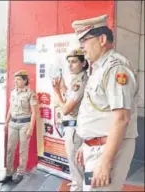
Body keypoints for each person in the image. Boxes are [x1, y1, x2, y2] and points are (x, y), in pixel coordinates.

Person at [71, 14, 139, 191]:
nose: (81, 46)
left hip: (106, 150)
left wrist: (106, 162)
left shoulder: (115, 68)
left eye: (85, 40)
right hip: (96, 147)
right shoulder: (99, 68)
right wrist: (87, 142)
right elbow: (98, 111)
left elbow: (122, 118)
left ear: (101, 39)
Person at [52, 48, 89, 191]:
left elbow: (66, 109)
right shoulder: (76, 80)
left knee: (76, 165)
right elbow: (69, 96)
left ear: (83, 63)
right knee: (78, 165)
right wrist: (61, 87)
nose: (70, 65)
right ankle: (79, 185)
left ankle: (77, 188)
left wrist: (56, 93)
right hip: (74, 127)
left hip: (74, 129)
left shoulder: (79, 82)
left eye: (74, 62)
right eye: (69, 62)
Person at [0, 70, 38, 184]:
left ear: (25, 80)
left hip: (24, 124)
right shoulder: (13, 92)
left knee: (23, 150)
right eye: (15, 79)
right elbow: (11, 108)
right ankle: (9, 173)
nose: (15, 81)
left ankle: (20, 173)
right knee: (10, 149)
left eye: (18, 79)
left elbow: (34, 113)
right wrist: (6, 122)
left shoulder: (30, 93)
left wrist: (31, 127)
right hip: (13, 123)